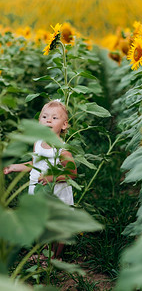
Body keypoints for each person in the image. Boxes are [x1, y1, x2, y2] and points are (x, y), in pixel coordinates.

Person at [4, 100, 77, 258]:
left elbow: (72, 173)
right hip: (38, 190)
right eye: (44, 117)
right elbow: (34, 163)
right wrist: (14, 167)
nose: (48, 120)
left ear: (64, 125)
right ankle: (45, 254)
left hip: (56, 193)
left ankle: (55, 258)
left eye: (54, 118)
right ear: (39, 122)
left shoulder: (62, 149)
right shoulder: (38, 144)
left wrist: (52, 177)